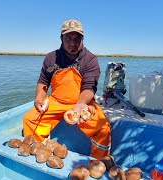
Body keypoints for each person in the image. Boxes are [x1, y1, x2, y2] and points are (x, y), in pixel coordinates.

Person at [22, 19, 111, 159]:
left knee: (103, 127)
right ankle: (40, 150)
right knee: (30, 118)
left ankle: (99, 160)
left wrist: (80, 104)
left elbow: (89, 87)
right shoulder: (51, 57)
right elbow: (43, 81)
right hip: (56, 101)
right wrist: (39, 99)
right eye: (68, 38)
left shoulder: (90, 59)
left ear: (82, 39)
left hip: (83, 102)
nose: (73, 43)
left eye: (77, 39)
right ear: (61, 38)